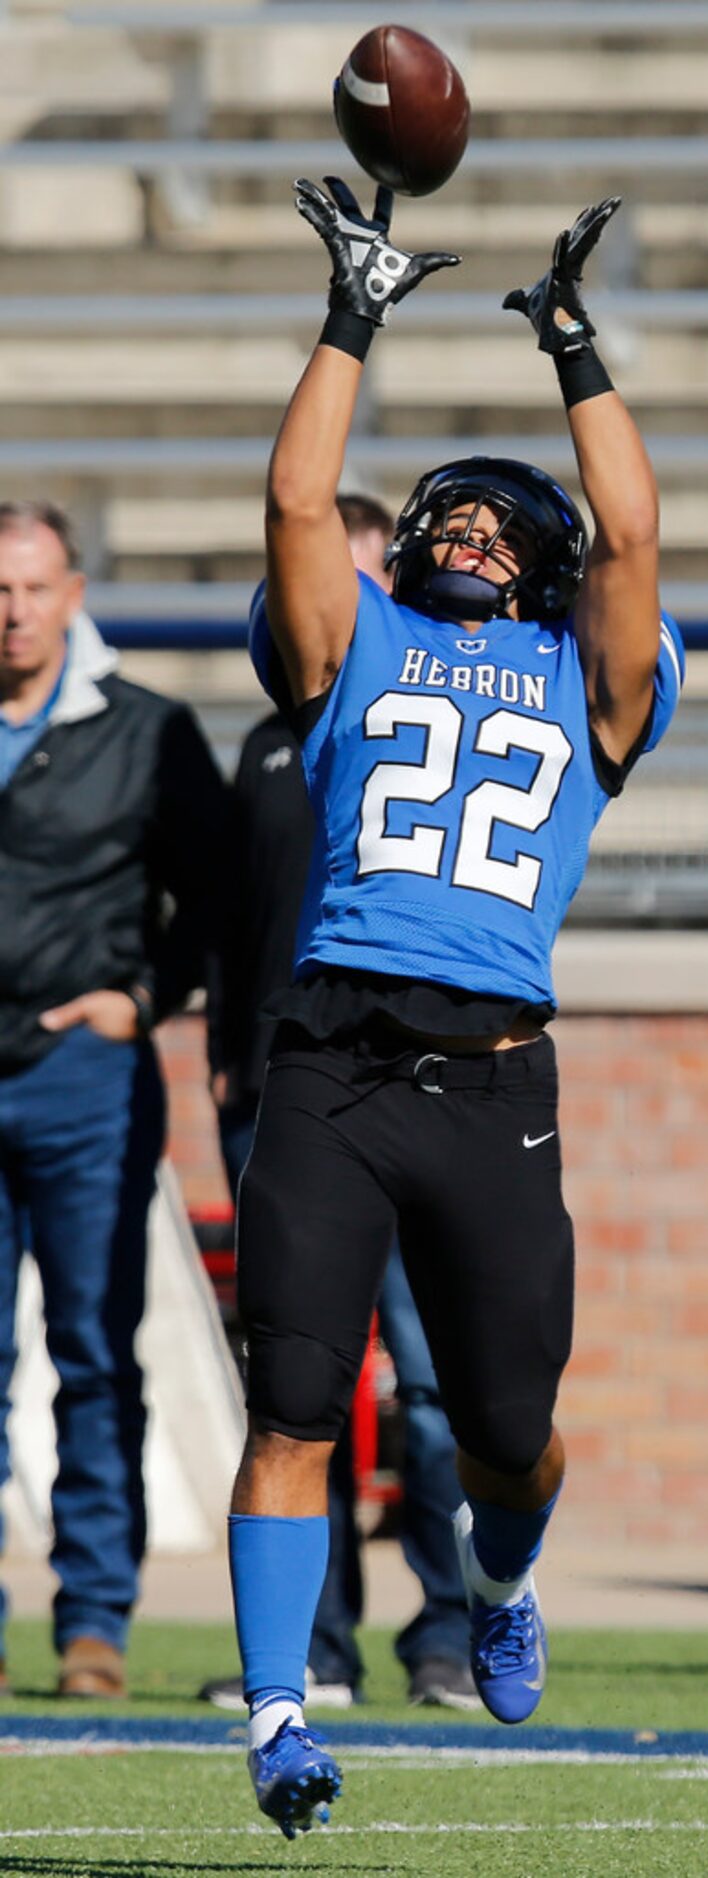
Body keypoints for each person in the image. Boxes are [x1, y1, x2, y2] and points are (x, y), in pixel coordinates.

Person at [230, 177, 685, 1839]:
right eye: (451, 517)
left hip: (493, 1087)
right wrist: (354, 310)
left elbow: (632, 533)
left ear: (543, 560)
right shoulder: (359, 643)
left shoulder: (592, 669)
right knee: (295, 1398)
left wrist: (574, 346)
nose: (471, 534)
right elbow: (293, 504)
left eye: (504, 522)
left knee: (506, 1433)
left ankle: (502, 1578)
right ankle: (279, 1710)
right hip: (331, 1063)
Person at [203, 492, 477, 1712]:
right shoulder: (276, 736)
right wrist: (221, 1037)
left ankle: (453, 1627)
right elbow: (229, 911)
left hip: (422, 1077)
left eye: (370, 578)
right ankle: (313, 1651)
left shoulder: (442, 712)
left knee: (436, 1385)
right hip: (290, 1078)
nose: (352, 604)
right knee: (297, 1387)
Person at [0, 500, 228, 1698]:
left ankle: (96, 1619)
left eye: (33, 588)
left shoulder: (144, 730)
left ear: (74, 594)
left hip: (84, 1077)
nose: (13, 611)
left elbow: (217, 894)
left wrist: (138, 999)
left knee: (94, 1353)